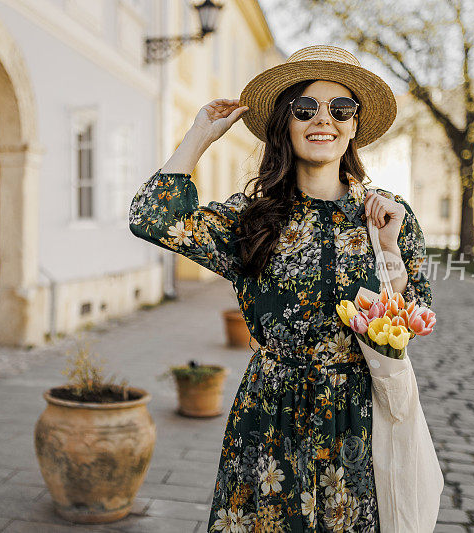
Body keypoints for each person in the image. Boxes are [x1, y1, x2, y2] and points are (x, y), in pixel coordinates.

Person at [129, 45, 433, 532]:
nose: (323, 120)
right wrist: (198, 136)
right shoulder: (253, 219)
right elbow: (152, 218)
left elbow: (413, 320)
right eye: (305, 108)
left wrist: (390, 250)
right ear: (285, 123)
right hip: (270, 414)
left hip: (355, 416)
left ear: (354, 125)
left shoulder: (388, 214)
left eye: (341, 108)